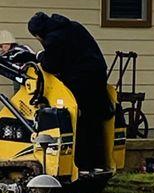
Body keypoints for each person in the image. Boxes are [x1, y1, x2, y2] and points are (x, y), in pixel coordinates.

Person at [28, 12, 113, 171]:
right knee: (95, 119)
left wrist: (40, 56)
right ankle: (99, 163)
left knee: (80, 121)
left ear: (39, 34)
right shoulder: (74, 26)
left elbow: (51, 65)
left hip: (81, 80)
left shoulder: (53, 39)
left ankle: (83, 165)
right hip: (98, 74)